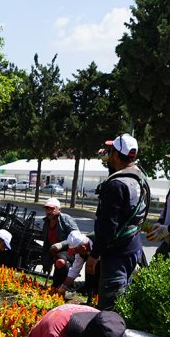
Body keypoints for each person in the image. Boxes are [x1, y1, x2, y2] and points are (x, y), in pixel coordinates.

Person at [87, 133, 149, 313]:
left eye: (111, 151)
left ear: (115, 155)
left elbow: (108, 226)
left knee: (110, 306)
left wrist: (94, 255)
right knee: (123, 301)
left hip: (117, 253)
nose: (108, 153)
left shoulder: (116, 184)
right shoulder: (139, 176)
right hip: (133, 246)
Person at [41, 197, 78, 286]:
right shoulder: (46, 222)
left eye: (52, 209)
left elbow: (76, 236)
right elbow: (47, 242)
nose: (49, 211)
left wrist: (61, 244)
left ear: (59, 209)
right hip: (54, 250)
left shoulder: (66, 219)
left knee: (60, 261)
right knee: (51, 263)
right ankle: (56, 285)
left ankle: (67, 285)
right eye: (47, 208)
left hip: (68, 250)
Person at [51, 230, 96, 302]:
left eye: (75, 250)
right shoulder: (80, 252)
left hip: (108, 257)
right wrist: (63, 288)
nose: (74, 253)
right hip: (95, 259)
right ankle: (91, 299)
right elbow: (74, 270)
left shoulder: (97, 243)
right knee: (89, 272)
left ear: (83, 247)